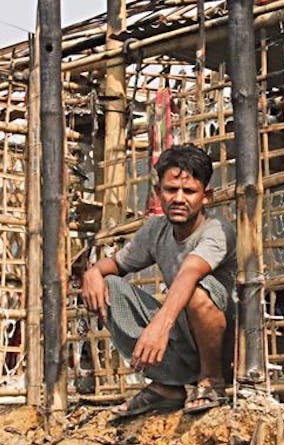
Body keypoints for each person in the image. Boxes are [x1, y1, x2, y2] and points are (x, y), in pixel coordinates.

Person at [81, 144, 236, 417]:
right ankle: (167, 385)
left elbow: (189, 272)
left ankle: (212, 381)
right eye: (170, 190)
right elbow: (116, 264)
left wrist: (160, 326)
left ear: (206, 196)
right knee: (111, 286)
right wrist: (92, 273)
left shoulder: (217, 230)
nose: (178, 198)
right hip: (182, 336)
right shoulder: (156, 228)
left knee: (200, 292)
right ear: (157, 193)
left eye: (189, 191)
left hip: (223, 343)